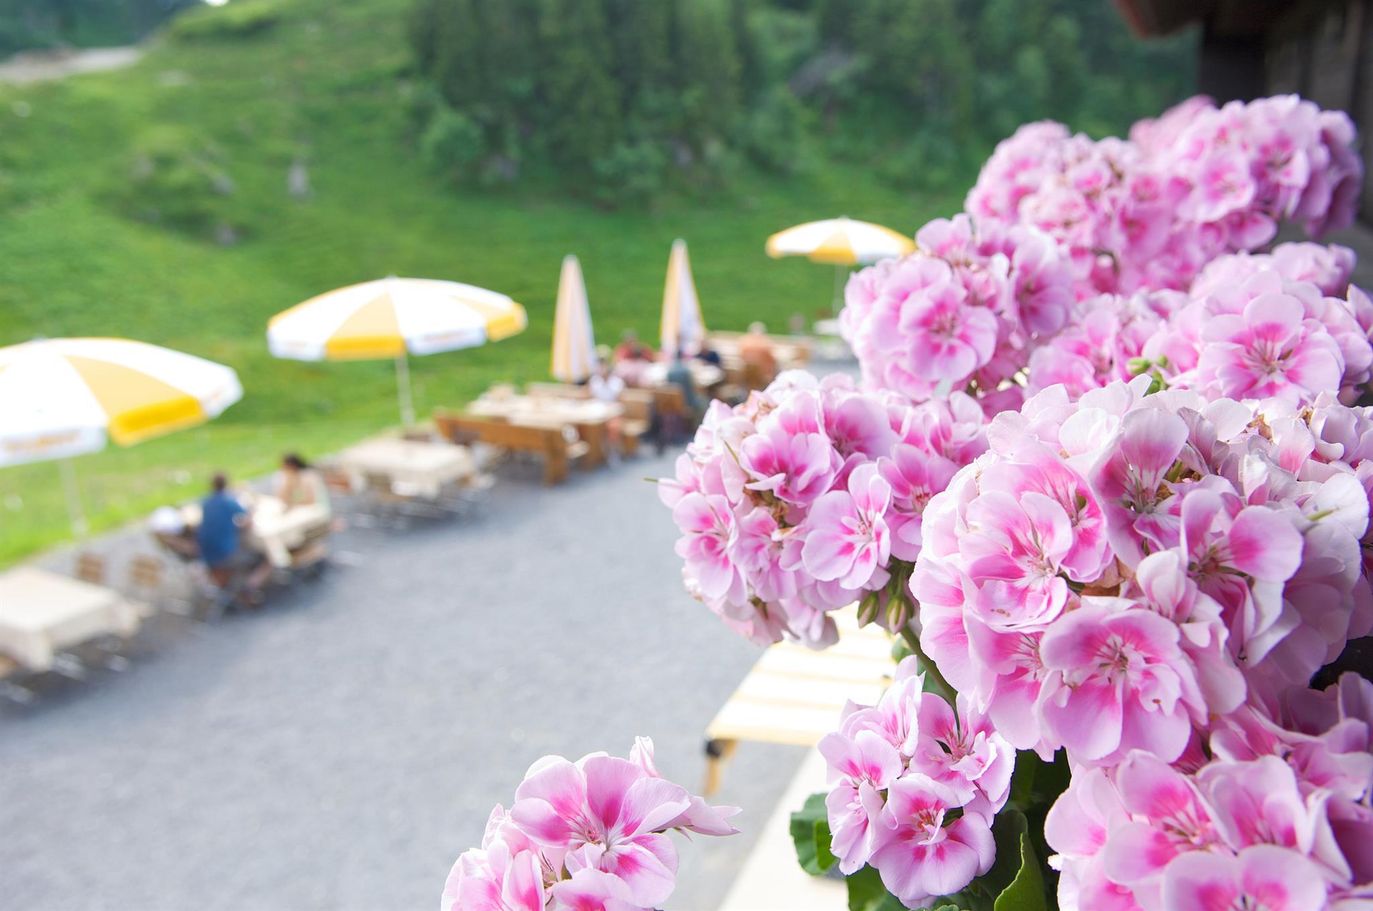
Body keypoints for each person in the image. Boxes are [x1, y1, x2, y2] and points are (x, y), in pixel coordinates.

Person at [197, 473, 270, 606]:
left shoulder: (205, 502)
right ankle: (250, 586)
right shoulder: (228, 501)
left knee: (242, 546)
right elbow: (247, 520)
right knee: (266, 556)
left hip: (206, 555)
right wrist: (252, 510)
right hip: (224, 556)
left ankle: (237, 586)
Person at [588, 361, 626, 458]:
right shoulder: (594, 381)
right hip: (597, 411)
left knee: (612, 427)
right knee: (588, 426)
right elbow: (588, 396)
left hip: (613, 413)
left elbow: (621, 402)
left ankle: (613, 452)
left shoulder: (617, 382)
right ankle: (594, 453)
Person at [737, 321, 778, 387]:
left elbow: (741, 355)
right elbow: (772, 359)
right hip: (761, 373)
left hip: (747, 372)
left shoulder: (745, 341)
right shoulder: (766, 343)